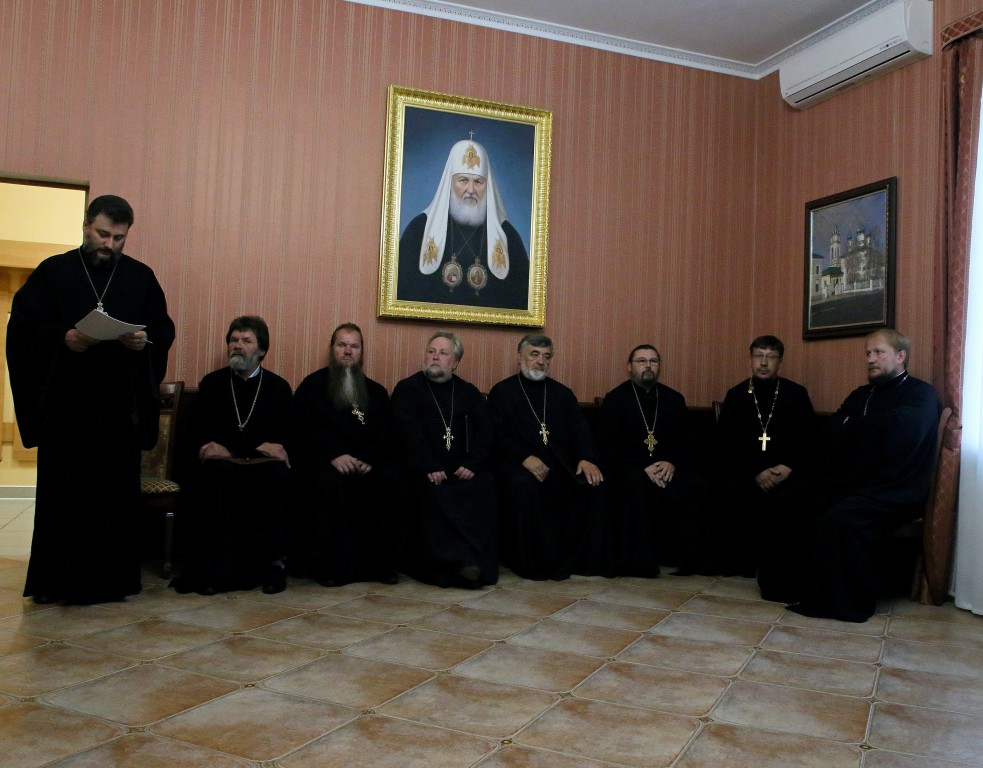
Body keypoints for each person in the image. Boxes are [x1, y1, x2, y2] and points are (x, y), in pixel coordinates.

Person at [6, 194, 175, 604]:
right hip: (66, 412)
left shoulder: (140, 277)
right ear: (86, 226)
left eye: (118, 238)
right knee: (64, 498)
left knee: (111, 502)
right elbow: (22, 330)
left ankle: (111, 582)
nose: (109, 245)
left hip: (117, 413)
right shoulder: (53, 272)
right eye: (102, 235)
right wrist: (62, 337)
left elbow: (162, 330)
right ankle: (56, 583)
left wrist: (144, 342)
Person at [789, 329, 940, 622]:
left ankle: (844, 603)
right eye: (868, 353)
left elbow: (898, 435)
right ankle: (794, 588)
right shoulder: (862, 394)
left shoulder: (921, 394)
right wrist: (856, 428)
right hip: (855, 482)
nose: (870, 359)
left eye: (878, 352)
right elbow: (835, 431)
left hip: (895, 488)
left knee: (841, 518)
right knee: (796, 500)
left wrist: (853, 426)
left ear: (901, 356)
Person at [175, 316, 293, 595]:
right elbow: (199, 433)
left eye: (246, 341)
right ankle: (216, 571)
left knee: (277, 474)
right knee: (216, 472)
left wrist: (235, 447)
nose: (237, 345)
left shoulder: (278, 388)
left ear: (262, 350)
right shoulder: (212, 384)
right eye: (233, 340)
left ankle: (272, 567)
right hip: (223, 467)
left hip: (262, 468)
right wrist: (248, 446)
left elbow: (282, 441)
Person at [487, 334, 608, 580]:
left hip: (560, 465)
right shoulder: (502, 392)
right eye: (534, 354)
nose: (540, 361)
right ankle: (531, 562)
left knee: (594, 485)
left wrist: (586, 458)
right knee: (523, 486)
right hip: (518, 465)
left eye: (546, 356)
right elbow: (497, 435)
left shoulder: (562, 394)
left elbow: (580, 431)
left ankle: (580, 561)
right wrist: (524, 457)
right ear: (519, 357)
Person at [291, 323, 400, 586]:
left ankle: (377, 566)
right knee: (328, 482)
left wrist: (369, 458)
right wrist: (334, 454)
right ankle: (330, 568)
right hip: (326, 461)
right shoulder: (313, 386)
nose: (348, 351)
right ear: (332, 349)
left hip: (367, 462)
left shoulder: (376, 392)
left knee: (390, 479)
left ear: (361, 352)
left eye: (354, 346)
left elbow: (387, 434)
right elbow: (301, 429)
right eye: (342, 345)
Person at [390, 331, 498, 588]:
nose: (435, 357)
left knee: (486, 483)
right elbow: (405, 431)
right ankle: (445, 567)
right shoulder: (408, 389)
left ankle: (474, 562)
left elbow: (487, 432)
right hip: (424, 469)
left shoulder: (468, 392)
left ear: (455, 362)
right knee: (432, 490)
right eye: (431, 352)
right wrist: (427, 464)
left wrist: (473, 464)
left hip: (462, 469)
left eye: (443, 353)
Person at [716, 335, 816, 599]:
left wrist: (788, 466)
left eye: (770, 357)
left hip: (786, 472)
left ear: (779, 361)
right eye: (759, 356)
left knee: (798, 496)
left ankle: (783, 569)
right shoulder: (736, 396)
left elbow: (809, 439)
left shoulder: (796, 394)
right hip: (746, 472)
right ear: (750, 359)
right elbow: (727, 443)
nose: (764, 362)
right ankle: (742, 561)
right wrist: (756, 471)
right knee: (732, 488)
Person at [598, 345, 709, 577]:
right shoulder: (616, 399)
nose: (648, 366)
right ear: (629, 367)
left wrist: (671, 462)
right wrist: (642, 464)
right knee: (634, 485)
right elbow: (608, 443)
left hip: (667, 468)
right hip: (630, 468)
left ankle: (687, 561)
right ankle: (641, 563)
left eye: (653, 361)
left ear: (659, 367)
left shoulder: (674, 399)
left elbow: (688, 442)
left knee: (695, 485)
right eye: (641, 361)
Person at [398, 138, 529, 309]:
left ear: (487, 186)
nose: (471, 190)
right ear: (450, 183)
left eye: (478, 182)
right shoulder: (419, 230)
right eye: (463, 180)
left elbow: (522, 298)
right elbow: (403, 291)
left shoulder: (508, 236)